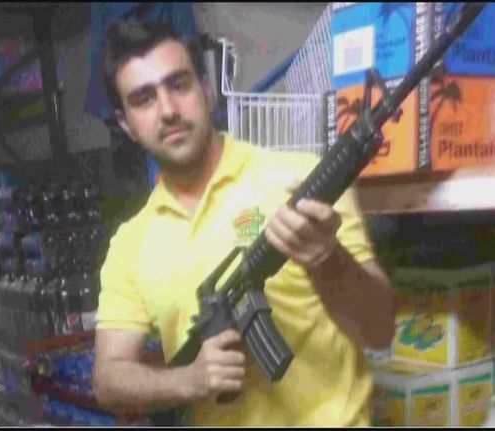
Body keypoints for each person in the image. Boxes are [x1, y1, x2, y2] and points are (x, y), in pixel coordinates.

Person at [93, 20, 396, 427]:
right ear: (126, 123)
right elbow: (108, 379)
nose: (168, 110)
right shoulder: (130, 244)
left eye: (179, 85)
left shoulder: (300, 182)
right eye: (144, 99)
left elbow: (380, 331)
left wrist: (329, 259)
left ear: (207, 90)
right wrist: (189, 380)